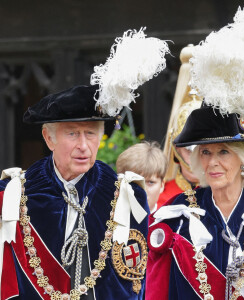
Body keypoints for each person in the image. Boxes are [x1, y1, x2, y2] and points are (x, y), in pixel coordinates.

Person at [0, 28, 169, 299]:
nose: (83, 145)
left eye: (90, 133)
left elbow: (134, 283)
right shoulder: (13, 195)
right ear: (48, 138)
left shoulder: (126, 195)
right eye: (72, 133)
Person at [146, 4, 244, 299]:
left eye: (224, 152)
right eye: (205, 152)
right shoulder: (178, 215)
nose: (213, 162)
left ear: (243, 157)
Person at [157, 45, 202, 208]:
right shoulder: (160, 198)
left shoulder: (224, 194)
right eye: (188, 147)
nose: (195, 154)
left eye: (202, 147)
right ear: (175, 148)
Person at [116, 141, 167, 212]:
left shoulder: (171, 222)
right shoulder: (105, 218)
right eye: (135, 182)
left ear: (162, 185)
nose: (143, 190)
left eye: (150, 182)